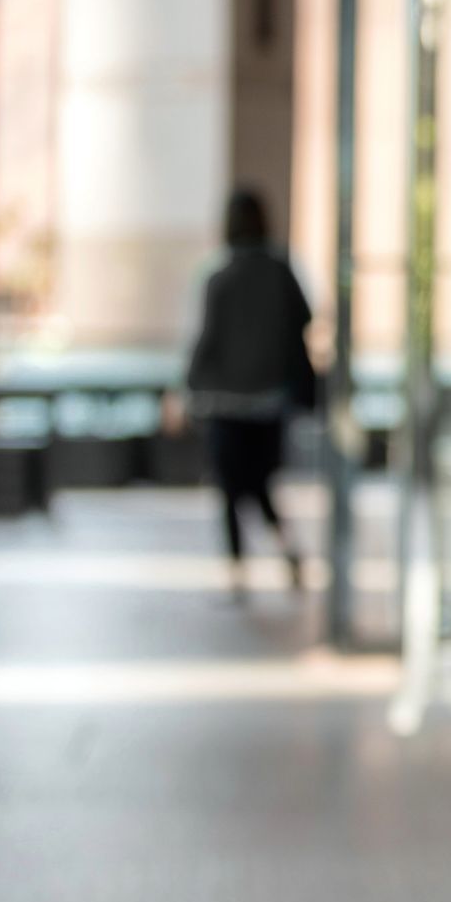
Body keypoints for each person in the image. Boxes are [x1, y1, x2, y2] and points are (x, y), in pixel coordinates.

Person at [186, 187, 314, 600]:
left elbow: (206, 340)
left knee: (230, 489)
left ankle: (238, 574)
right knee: (260, 486)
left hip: (227, 402)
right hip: (270, 400)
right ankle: (286, 550)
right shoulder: (281, 272)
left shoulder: (220, 278)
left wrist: (188, 387)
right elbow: (304, 320)